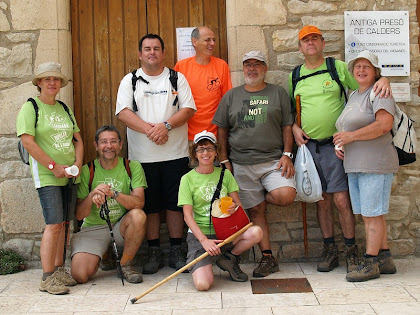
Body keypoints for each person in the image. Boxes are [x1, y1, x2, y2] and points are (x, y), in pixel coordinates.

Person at [289, 25, 392, 273]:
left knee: (342, 199)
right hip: (309, 147)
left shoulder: (337, 68)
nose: (310, 43)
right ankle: (330, 249)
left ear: (323, 43)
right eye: (306, 40)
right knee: (321, 200)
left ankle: (351, 250)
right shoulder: (294, 75)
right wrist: (294, 127)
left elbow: (363, 85)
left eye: (315, 39)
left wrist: (384, 78)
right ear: (300, 47)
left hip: (337, 146)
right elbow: (291, 110)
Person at [116, 34, 196, 274]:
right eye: (147, 49)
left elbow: (189, 109)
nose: (152, 52)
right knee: (149, 206)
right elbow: (122, 112)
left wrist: (166, 126)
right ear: (140, 54)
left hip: (176, 153)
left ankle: (175, 249)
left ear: (163, 53)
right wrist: (151, 130)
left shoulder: (176, 78)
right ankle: (153, 251)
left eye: (156, 49)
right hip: (142, 158)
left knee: (174, 205)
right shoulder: (130, 81)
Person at [212, 51, 296, 277]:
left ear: (265, 68)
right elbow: (222, 129)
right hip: (241, 163)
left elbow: (287, 126)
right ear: (243, 68)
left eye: (256, 65)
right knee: (256, 211)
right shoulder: (231, 96)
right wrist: (224, 160)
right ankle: (268, 258)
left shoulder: (278, 93)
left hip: (273, 161)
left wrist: (287, 153)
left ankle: (259, 198)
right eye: (247, 65)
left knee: (286, 195)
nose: (251, 69)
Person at [16, 62, 84, 295]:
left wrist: (77, 164)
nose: (52, 83)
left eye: (56, 79)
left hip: (68, 175)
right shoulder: (31, 107)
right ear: (39, 83)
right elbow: (28, 142)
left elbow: (78, 140)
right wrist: (53, 166)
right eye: (47, 79)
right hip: (47, 175)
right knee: (53, 224)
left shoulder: (64, 108)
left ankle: (58, 270)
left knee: (65, 225)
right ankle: (47, 278)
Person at [333, 50, 398, 282]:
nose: (361, 70)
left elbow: (384, 124)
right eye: (357, 66)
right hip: (356, 164)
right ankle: (384, 258)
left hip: (375, 163)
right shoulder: (354, 94)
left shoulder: (380, 91)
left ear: (376, 71)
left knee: (373, 214)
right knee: (371, 214)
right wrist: (341, 143)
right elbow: (346, 128)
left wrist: (350, 138)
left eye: (367, 67)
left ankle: (370, 263)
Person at [178, 130, 263, 290]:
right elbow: (187, 217)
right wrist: (204, 240)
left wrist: (234, 208)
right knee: (203, 285)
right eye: (201, 149)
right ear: (194, 153)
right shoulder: (187, 179)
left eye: (210, 148)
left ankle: (229, 258)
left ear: (216, 152)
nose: (205, 153)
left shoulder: (225, 175)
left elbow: (239, 206)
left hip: (225, 233)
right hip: (200, 237)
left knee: (256, 232)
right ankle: (200, 262)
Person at [70, 125, 147, 284]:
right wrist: (92, 195)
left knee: (138, 215)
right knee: (80, 275)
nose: (109, 146)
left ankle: (125, 264)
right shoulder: (87, 170)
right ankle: (102, 254)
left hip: (120, 226)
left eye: (113, 141)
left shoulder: (132, 167)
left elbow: (139, 202)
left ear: (120, 145)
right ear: (96, 146)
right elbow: (79, 215)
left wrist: (114, 194)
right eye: (104, 142)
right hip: (93, 228)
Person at [174, 26, 232, 140]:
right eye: (207, 40)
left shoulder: (221, 65)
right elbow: (174, 101)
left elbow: (227, 100)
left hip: (215, 136)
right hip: (187, 136)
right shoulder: (181, 66)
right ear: (194, 42)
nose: (212, 43)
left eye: (214, 40)